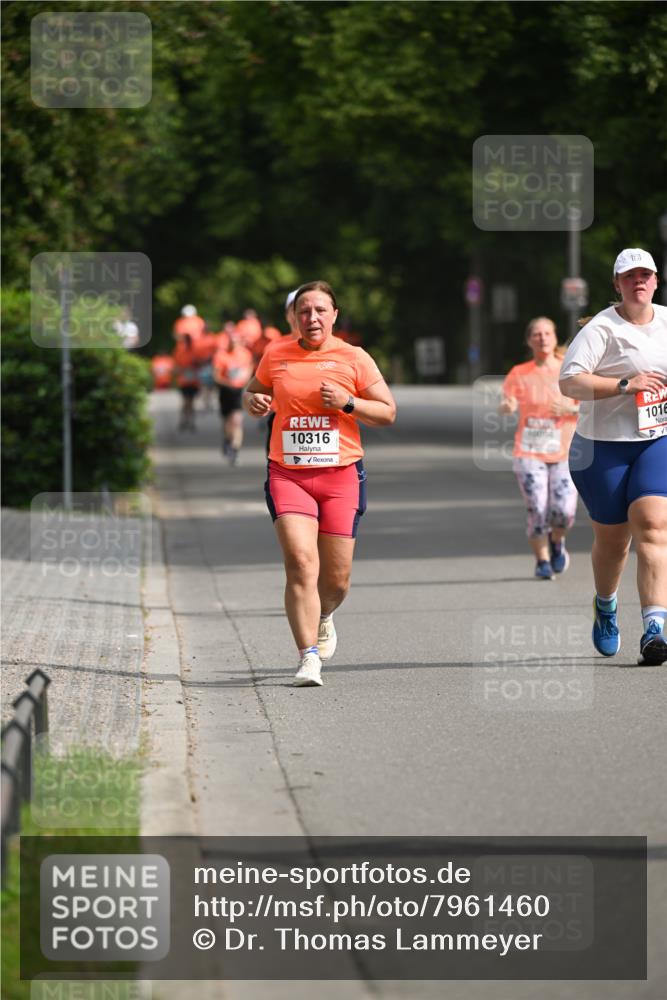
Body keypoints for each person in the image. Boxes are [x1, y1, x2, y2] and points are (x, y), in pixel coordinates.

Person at [244, 280, 397, 687]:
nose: (312, 318)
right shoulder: (276, 353)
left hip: (341, 476)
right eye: (304, 311)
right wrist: (254, 402)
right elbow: (253, 392)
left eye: (320, 310)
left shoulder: (354, 357)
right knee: (300, 563)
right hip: (288, 474)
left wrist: (348, 402)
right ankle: (307, 656)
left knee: (336, 580)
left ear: (334, 315)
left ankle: (324, 614)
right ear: (294, 317)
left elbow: (387, 412)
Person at [559, 248, 667, 665]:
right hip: (601, 446)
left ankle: (654, 629)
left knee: (654, 525)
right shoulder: (601, 329)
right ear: (617, 285)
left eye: (646, 275)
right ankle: (605, 605)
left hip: (657, 439)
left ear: (655, 281)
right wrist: (626, 384)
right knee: (614, 540)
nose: (638, 281)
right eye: (629, 276)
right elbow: (569, 383)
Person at [500, 317, 579, 580]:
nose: (542, 338)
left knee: (563, 512)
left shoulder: (570, 370)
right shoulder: (519, 373)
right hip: (529, 452)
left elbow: (590, 405)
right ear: (529, 340)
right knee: (537, 507)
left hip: (565, 453)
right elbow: (506, 402)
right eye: (536, 334)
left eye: (547, 333)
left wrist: (571, 408)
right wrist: (507, 407)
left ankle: (557, 542)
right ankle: (542, 560)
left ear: (555, 338)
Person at [213, 327, 254, 465]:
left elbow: (249, 370)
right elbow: (216, 376)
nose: (234, 344)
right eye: (231, 341)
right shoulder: (221, 355)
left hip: (238, 391)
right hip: (225, 390)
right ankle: (227, 440)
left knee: (237, 420)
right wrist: (228, 382)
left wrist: (244, 381)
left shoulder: (245, 354)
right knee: (227, 421)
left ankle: (234, 450)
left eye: (236, 341)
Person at [172, 333, 201, 431]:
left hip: (193, 381)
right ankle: (184, 421)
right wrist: (179, 373)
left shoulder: (195, 351)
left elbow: (199, 364)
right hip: (184, 381)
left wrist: (195, 365)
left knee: (191, 402)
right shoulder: (179, 351)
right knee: (186, 401)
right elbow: (176, 366)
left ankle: (191, 422)